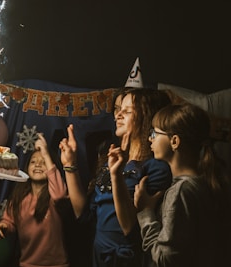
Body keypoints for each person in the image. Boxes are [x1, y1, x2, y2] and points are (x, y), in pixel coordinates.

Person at [70, 88, 173, 267]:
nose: (118, 115)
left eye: (127, 111)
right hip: (98, 258)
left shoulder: (155, 168)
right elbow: (84, 215)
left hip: (127, 260)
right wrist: (70, 165)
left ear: (146, 116)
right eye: (118, 110)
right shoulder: (111, 162)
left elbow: (130, 228)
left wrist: (116, 175)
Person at [131, 103, 231, 267]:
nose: (150, 138)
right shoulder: (206, 182)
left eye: (154, 133)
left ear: (175, 141)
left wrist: (145, 213)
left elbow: (166, 260)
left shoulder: (181, 191)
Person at [0, 129, 84, 267]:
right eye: (33, 161)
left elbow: (60, 194)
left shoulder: (53, 198)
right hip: (27, 264)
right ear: (27, 168)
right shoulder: (19, 197)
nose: (37, 164)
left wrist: (46, 153)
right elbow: (9, 220)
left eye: (43, 162)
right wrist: (4, 226)